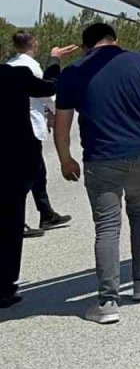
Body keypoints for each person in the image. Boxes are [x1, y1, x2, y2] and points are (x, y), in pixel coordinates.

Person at [53, 23, 140, 324]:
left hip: (101, 158)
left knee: (107, 227)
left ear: (86, 46)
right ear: (115, 40)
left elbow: (62, 124)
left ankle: (107, 302)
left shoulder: (72, 73)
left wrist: (65, 159)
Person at [1, 42, 76, 309]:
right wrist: (54, 60)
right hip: (10, 164)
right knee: (9, 227)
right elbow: (50, 86)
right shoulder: (14, 75)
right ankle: (4, 288)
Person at [6, 31, 75, 237]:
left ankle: (46, 212)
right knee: (27, 175)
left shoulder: (10, 64)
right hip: (29, 127)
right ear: (34, 44)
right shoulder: (30, 67)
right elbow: (47, 92)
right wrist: (56, 114)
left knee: (37, 172)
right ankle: (16, 221)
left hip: (15, 128)